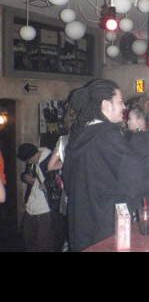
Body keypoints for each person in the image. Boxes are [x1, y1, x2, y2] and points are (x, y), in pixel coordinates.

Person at [63, 79, 149, 251]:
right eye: (120, 102)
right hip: (104, 231)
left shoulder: (80, 135)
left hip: (82, 229)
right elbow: (139, 176)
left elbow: (69, 182)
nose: (124, 107)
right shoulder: (107, 137)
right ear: (106, 105)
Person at [17, 143, 63, 252]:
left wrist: (46, 184)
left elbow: (61, 179)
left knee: (45, 242)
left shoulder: (50, 159)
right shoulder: (33, 161)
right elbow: (25, 174)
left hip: (46, 209)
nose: (28, 163)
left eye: (29, 160)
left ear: (33, 155)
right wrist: (25, 177)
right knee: (29, 239)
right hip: (31, 206)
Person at [47, 103, 77, 251]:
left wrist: (64, 165)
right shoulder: (91, 138)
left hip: (68, 193)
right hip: (87, 193)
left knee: (69, 233)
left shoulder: (64, 140)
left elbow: (50, 166)